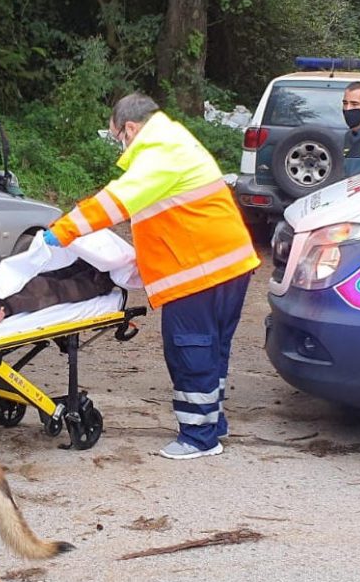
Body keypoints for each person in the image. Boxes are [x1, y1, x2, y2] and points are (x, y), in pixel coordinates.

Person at [43, 93, 260, 460]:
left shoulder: (160, 151)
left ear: (130, 127)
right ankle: (211, 423)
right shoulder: (175, 142)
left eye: (117, 136)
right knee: (210, 349)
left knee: (190, 349)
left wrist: (64, 230)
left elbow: (116, 201)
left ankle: (198, 438)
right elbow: (170, 216)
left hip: (199, 273)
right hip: (225, 266)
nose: (119, 144)